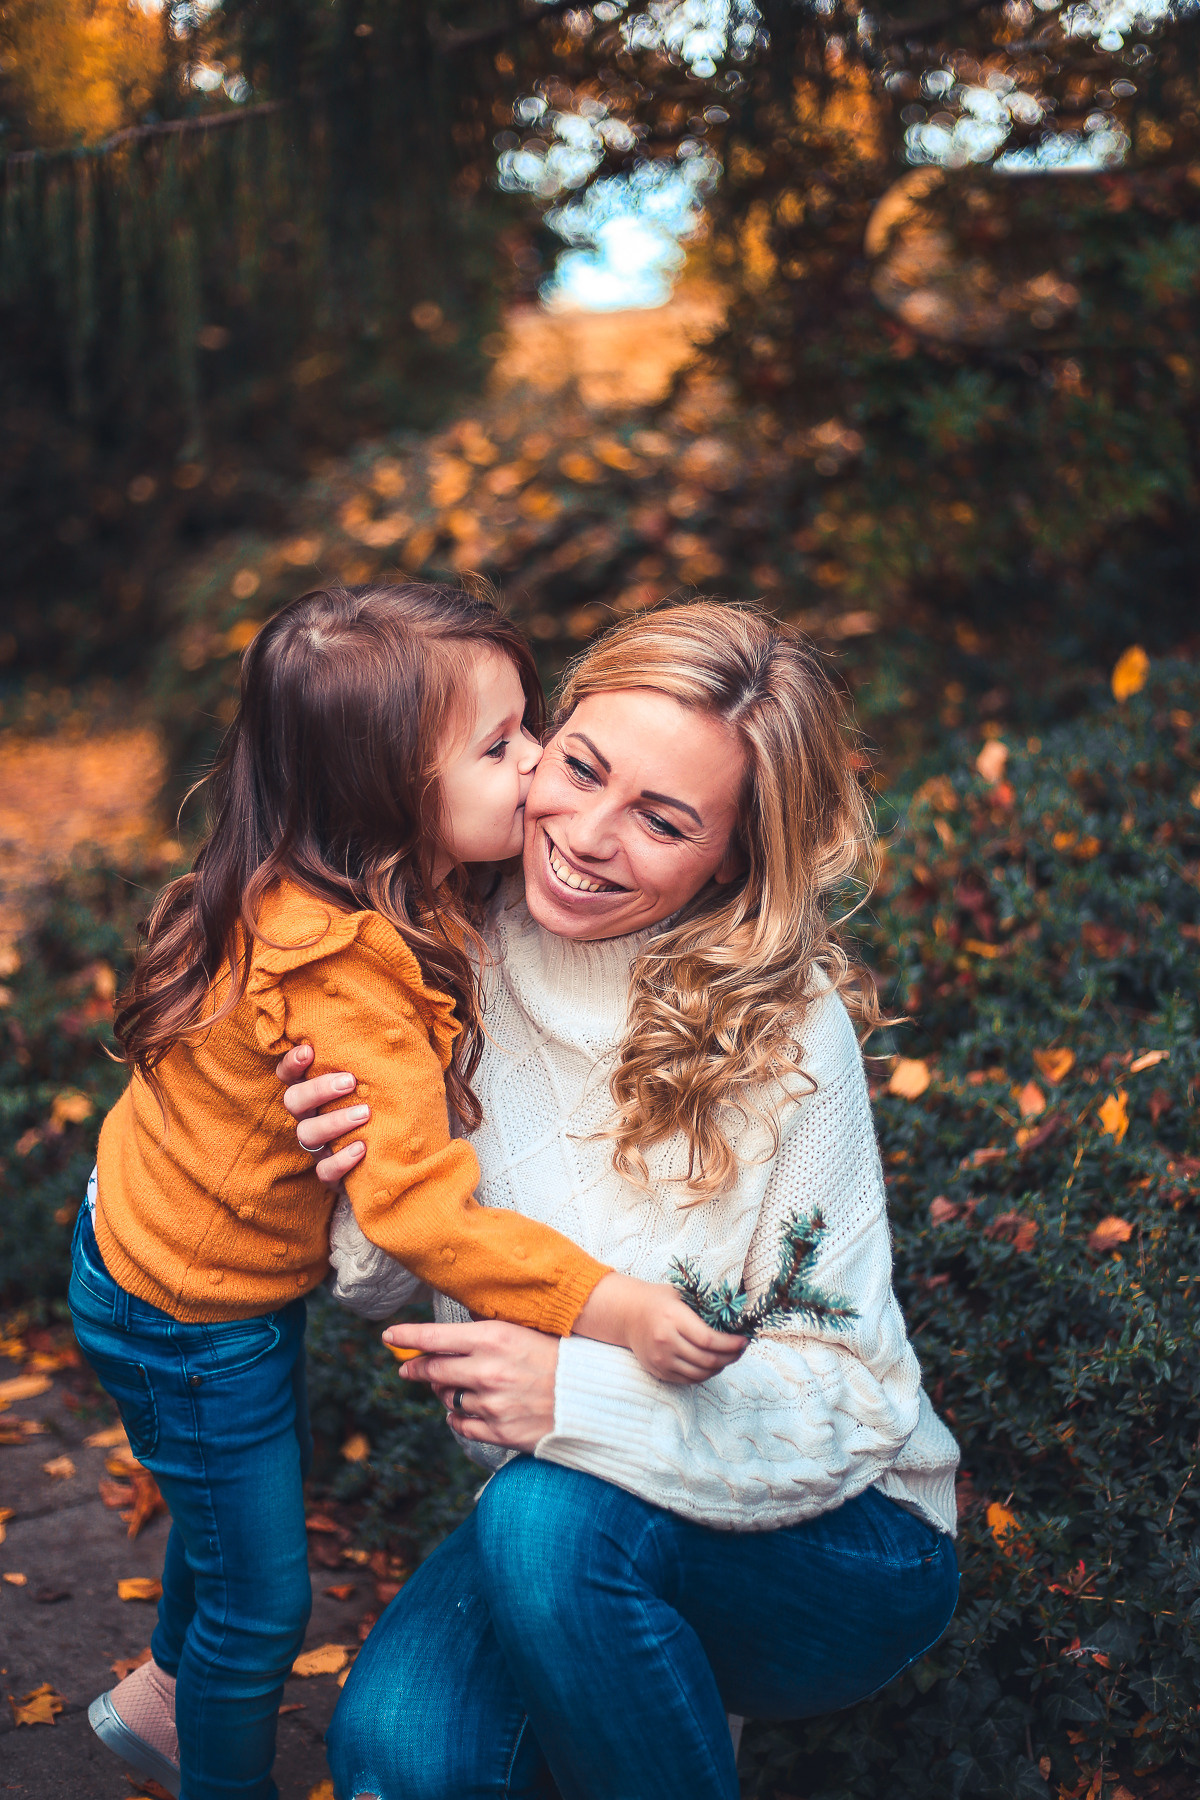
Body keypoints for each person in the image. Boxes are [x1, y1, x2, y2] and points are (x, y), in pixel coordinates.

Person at [68, 584, 744, 1800]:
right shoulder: (345, 975)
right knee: (266, 1605)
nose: (537, 765)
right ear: (384, 795)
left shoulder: (327, 874)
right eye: (502, 747)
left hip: (148, 1241)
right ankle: (210, 1763)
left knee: (228, 1516)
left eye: (529, 724)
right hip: (188, 1313)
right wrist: (617, 1308)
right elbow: (422, 1215)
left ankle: (166, 1685)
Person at [279, 601, 962, 1800]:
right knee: (398, 1760)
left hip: (847, 1540)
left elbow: (851, 1400)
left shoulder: (781, 1033)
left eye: (663, 819)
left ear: (735, 857)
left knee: (547, 1521)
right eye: (581, 767)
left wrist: (574, 1392)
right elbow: (402, 1288)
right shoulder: (434, 964)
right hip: (573, 1515)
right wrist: (349, 1174)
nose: (586, 835)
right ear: (541, 738)